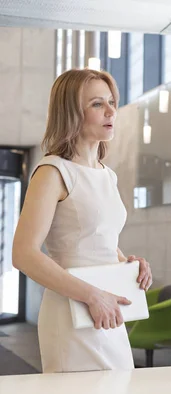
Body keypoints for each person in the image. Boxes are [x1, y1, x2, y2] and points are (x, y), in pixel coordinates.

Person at [12, 69, 152, 373]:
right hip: (73, 311)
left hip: (107, 309)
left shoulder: (108, 175)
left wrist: (127, 263)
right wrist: (92, 295)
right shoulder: (52, 172)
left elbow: (99, 241)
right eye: (97, 104)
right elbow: (23, 254)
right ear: (71, 112)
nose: (111, 111)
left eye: (112, 102)